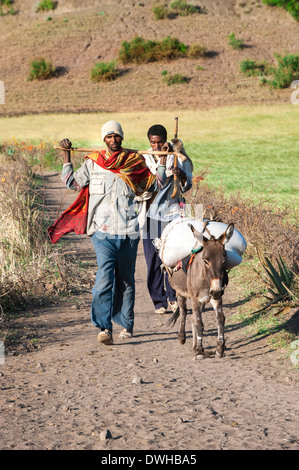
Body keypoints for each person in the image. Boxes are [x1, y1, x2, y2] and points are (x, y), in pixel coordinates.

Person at [50, 120, 167, 346]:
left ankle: (125, 323)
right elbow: (72, 183)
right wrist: (66, 158)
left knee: (126, 280)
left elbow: (156, 185)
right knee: (104, 279)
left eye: (117, 136)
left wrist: (162, 159)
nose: (113, 140)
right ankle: (104, 327)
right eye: (109, 136)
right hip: (102, 233)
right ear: (104, 139)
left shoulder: (134, 162)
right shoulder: (94, 163)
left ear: (122, 138)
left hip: (128, 232)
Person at [139, 124, 193, 315]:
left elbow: (188, 185)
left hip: (173, 214)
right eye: (153, 143)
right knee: (153, 259)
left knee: (174, 257)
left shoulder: (178, 155)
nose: (157, 145)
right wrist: (161, 159)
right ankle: (158, 301)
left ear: (166, 139)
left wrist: (182, 176)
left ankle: (174, 296)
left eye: (160, 142)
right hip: (151, 215)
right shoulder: (144, 157)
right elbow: (151, 184)